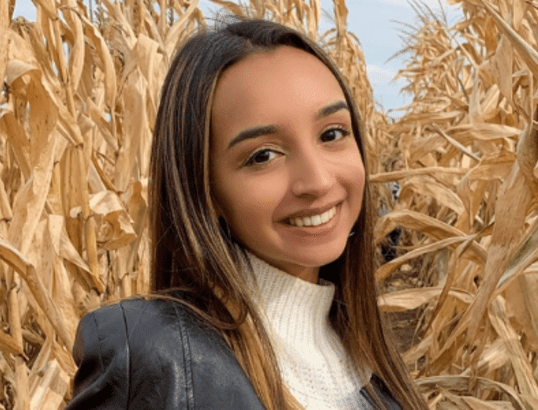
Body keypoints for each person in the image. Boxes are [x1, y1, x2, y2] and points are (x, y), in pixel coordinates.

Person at [66, 18, 427, 410]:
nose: (319, 181)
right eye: (263, 156)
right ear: (206, 190)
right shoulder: (154, 357)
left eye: (331, 134)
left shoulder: (371, 365)